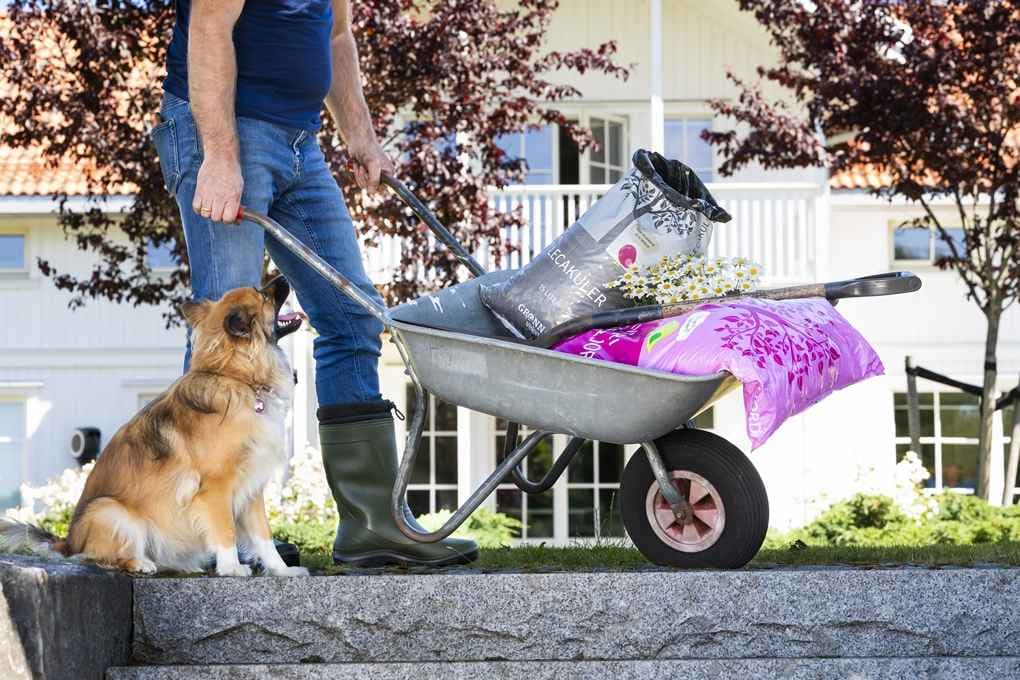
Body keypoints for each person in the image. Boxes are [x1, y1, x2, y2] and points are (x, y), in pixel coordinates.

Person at [151, 0, 477, 567]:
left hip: (301, 141)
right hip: (228, 129)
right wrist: (221, 157)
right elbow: (208, 28)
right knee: (229, 331)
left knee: (353, 316)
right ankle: (214, 537)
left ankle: (373, 525)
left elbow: (337, 37)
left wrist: (361, 135)